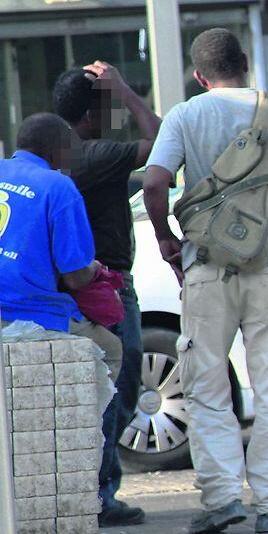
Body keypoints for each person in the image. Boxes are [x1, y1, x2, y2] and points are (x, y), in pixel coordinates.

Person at [143, 28, 268, 534]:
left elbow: (154, 184)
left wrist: (165, 237)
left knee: (206, 388)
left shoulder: (184, 116)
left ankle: (222, 498)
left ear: (200, 76)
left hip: (207, 269)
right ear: (246, 63)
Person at [54, 62, 161, 527]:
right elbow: (163, 141)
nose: (117, 114)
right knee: (117, 386)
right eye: (110, 107)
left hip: (77, 284)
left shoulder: (62, 153)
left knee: (105, 389)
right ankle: (101, 493)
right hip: (106, 285)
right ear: (91, 115)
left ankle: (95, 488)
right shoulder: (95, 154)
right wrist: (127, 92)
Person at [0, 113, 123, 381]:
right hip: (29, 311)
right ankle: (81, 412)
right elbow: (75, 277)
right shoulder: (58, 187)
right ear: (55, 150)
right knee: (109, 349)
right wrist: (95, 269)